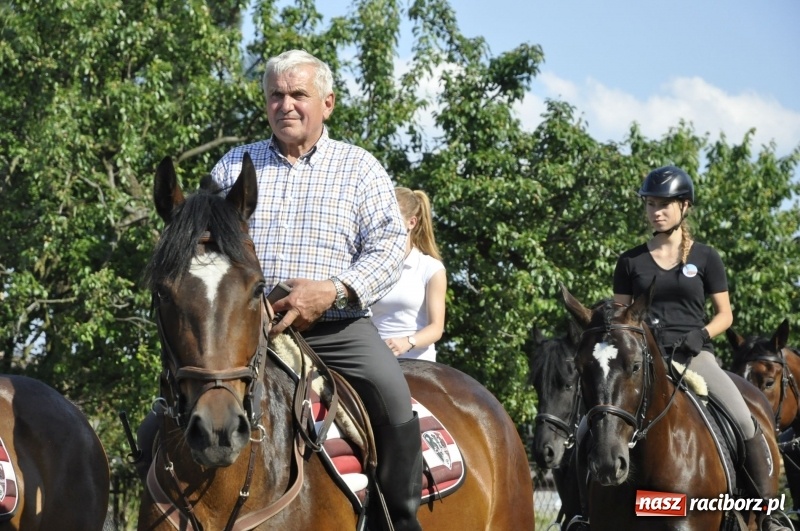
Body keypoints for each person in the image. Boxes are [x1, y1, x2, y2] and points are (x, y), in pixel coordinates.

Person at [209, 50, 422, 531]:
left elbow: (390, 248)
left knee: (394, 398)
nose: (286, 104)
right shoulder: (230, 170)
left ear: (327, 103)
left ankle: (401, 521)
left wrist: (336, 289)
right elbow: (204, 249)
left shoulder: (359, 168)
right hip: (249, 334)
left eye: (298, 94)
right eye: (276, 95)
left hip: (338, 330)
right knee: (162, 420)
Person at [612, 165, 787, 531]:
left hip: (694, 356)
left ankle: (768, 514)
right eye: (650, 204)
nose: (656, 211)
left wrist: (700, 336)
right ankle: (582, 513)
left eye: (664, 204)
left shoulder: (706, 258)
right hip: (643, 360)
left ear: (684, 207)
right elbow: (620, 317)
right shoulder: (629, 261)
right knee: (587, 425)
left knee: (744, 420)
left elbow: (726, 315)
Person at [370, 187, 446, 362]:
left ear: (411, 223)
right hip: (373, 360)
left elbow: (436, 328)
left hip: (414, 361)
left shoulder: (431, 268)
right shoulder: (370, 266)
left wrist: (407, 342)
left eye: (391, 220)